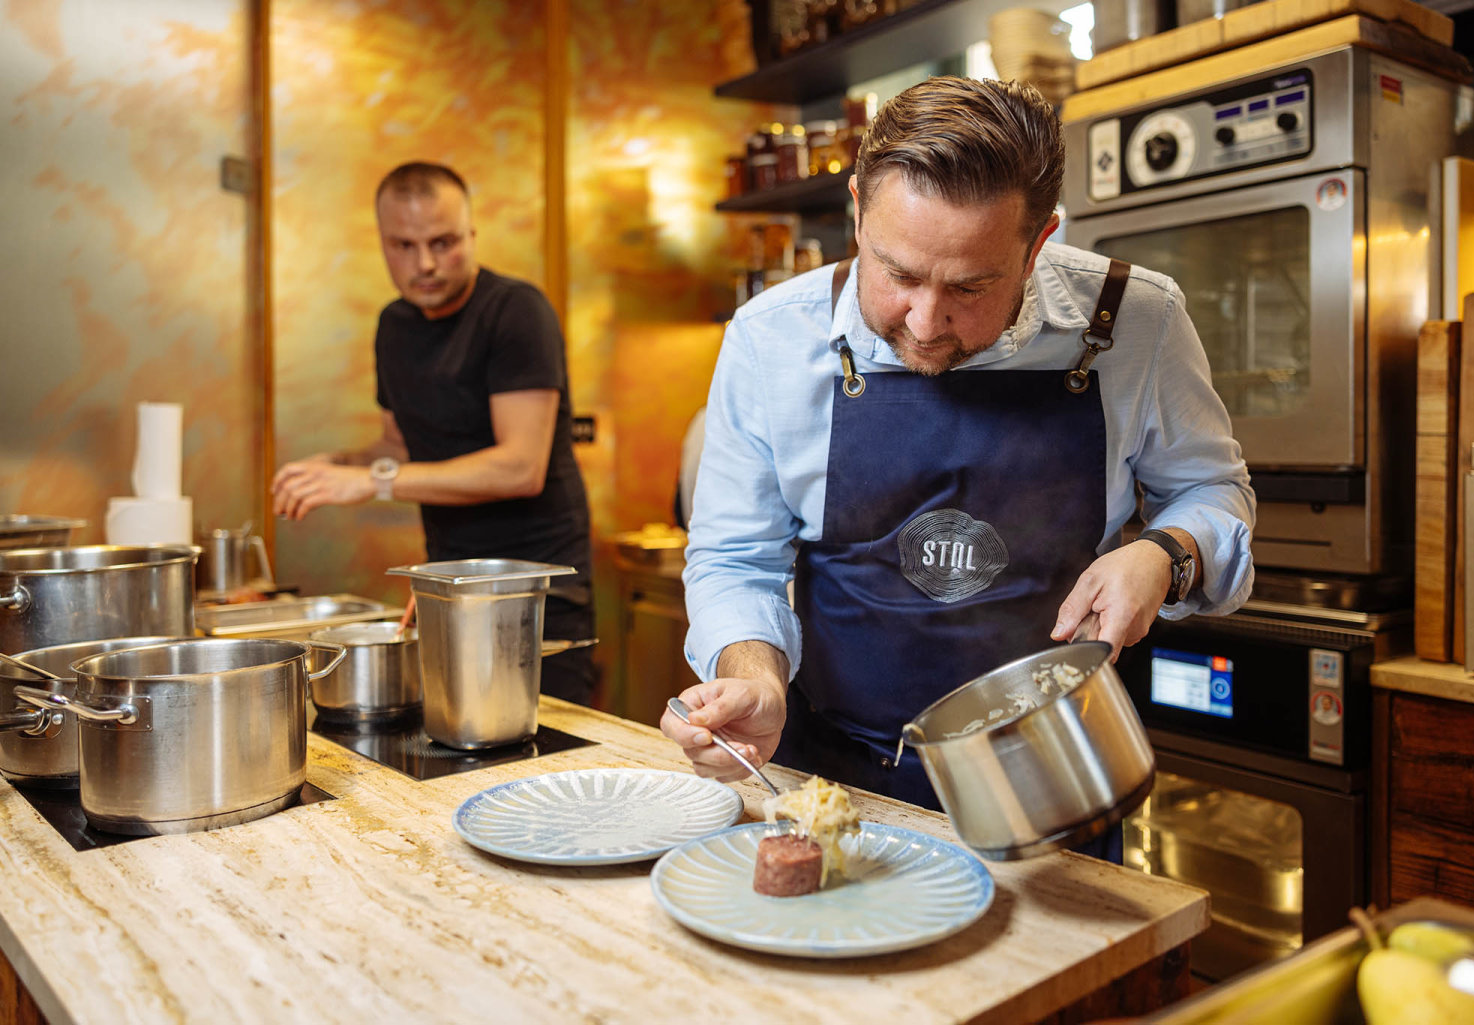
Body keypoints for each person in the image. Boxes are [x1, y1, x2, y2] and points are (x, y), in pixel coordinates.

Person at [658, 77, 1255, 858]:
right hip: (834, 787)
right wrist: (757, 680)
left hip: (1056, 785)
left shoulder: (1138, 322)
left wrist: (1163, 554)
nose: (926, 321)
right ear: (858, 212)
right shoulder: (771, 339)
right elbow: (736, 557)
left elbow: (1214, 492)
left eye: (970, 286)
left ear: (1039, 245)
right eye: (898, 272)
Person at [271, 162, 596, 705]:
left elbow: (521, 467)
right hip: (446, 589)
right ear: (383, 243)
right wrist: (338, 465)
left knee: (544, 760)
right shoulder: (394, 326)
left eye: (442, 242)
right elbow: (398, 450)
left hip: (536, 595)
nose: (424, 263)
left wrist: (372, 483)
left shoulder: (516, 311)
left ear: (471, 234)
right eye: (403, 245)